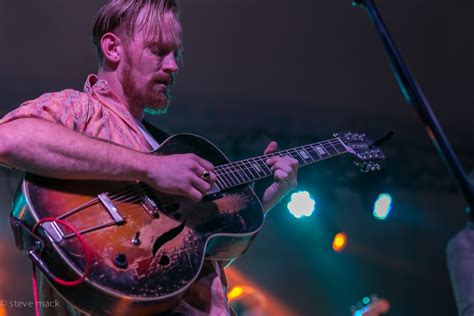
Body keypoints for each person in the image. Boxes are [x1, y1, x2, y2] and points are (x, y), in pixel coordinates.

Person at [0, 0, 299, 315]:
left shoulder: (162, 143)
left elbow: (185, 263)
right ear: (113, 48)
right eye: (158, 51)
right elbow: (8, 139)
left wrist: (265, 202)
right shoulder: (83, 110)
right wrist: (151, 167)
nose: (173, 66)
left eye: (177, 54)